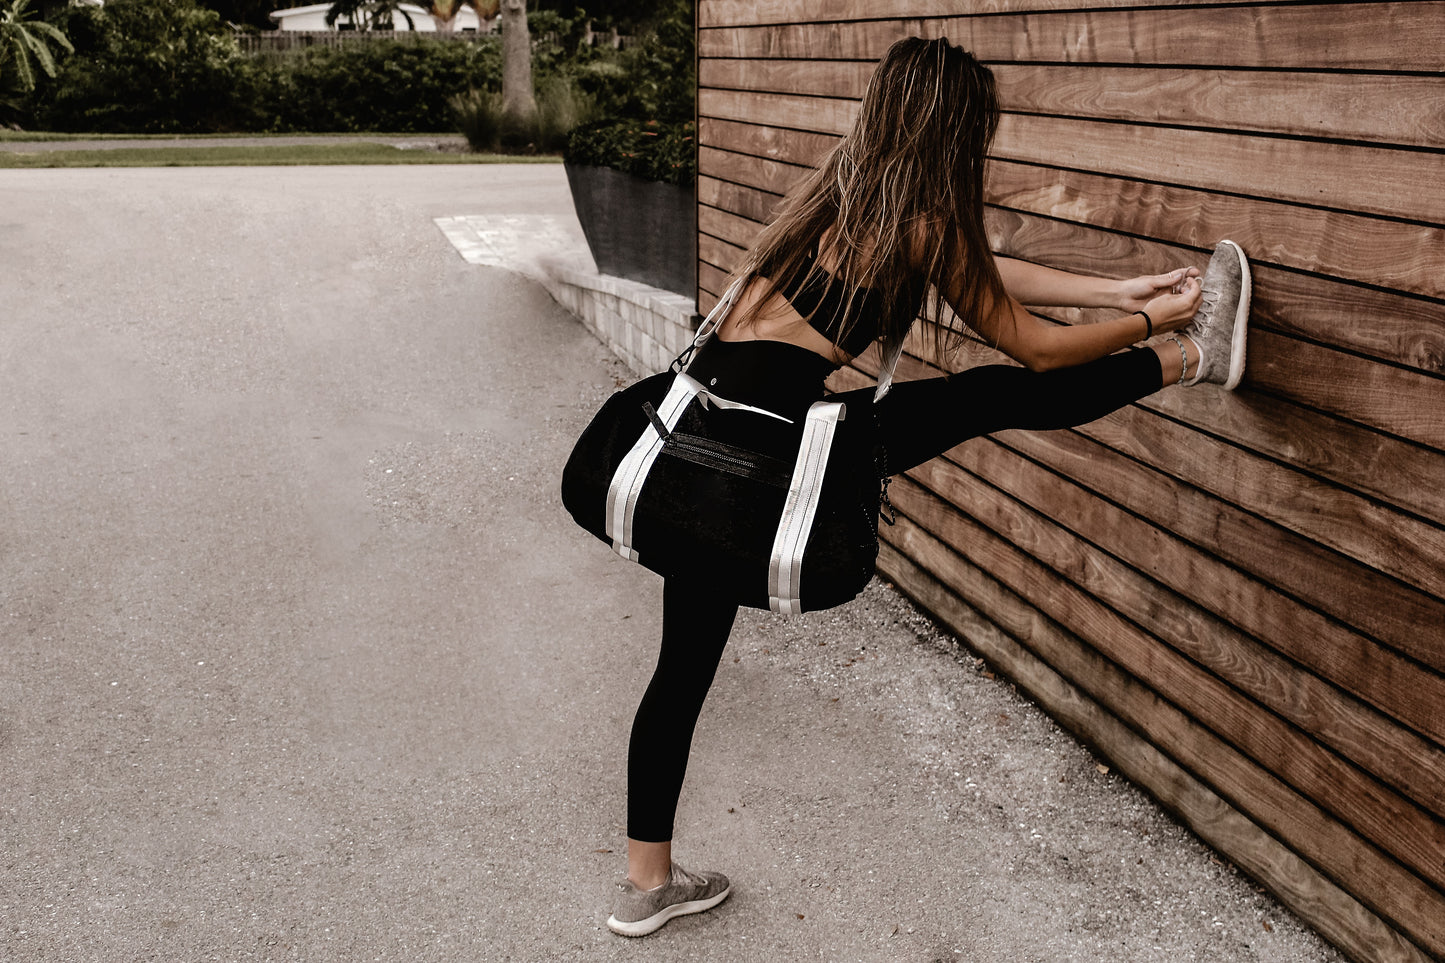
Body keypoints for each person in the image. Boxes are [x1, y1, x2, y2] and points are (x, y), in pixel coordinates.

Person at [604, 36, 1250, 937]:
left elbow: (969, 273)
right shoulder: (912, 224)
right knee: (995, 389)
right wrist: (1149, 320)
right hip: (778, 457)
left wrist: (1117, 282)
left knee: (679, 670)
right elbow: (1031, 343)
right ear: (955, 132)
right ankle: (1192, 356)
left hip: (704, 451)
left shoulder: (831, 201)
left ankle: (646, 887)